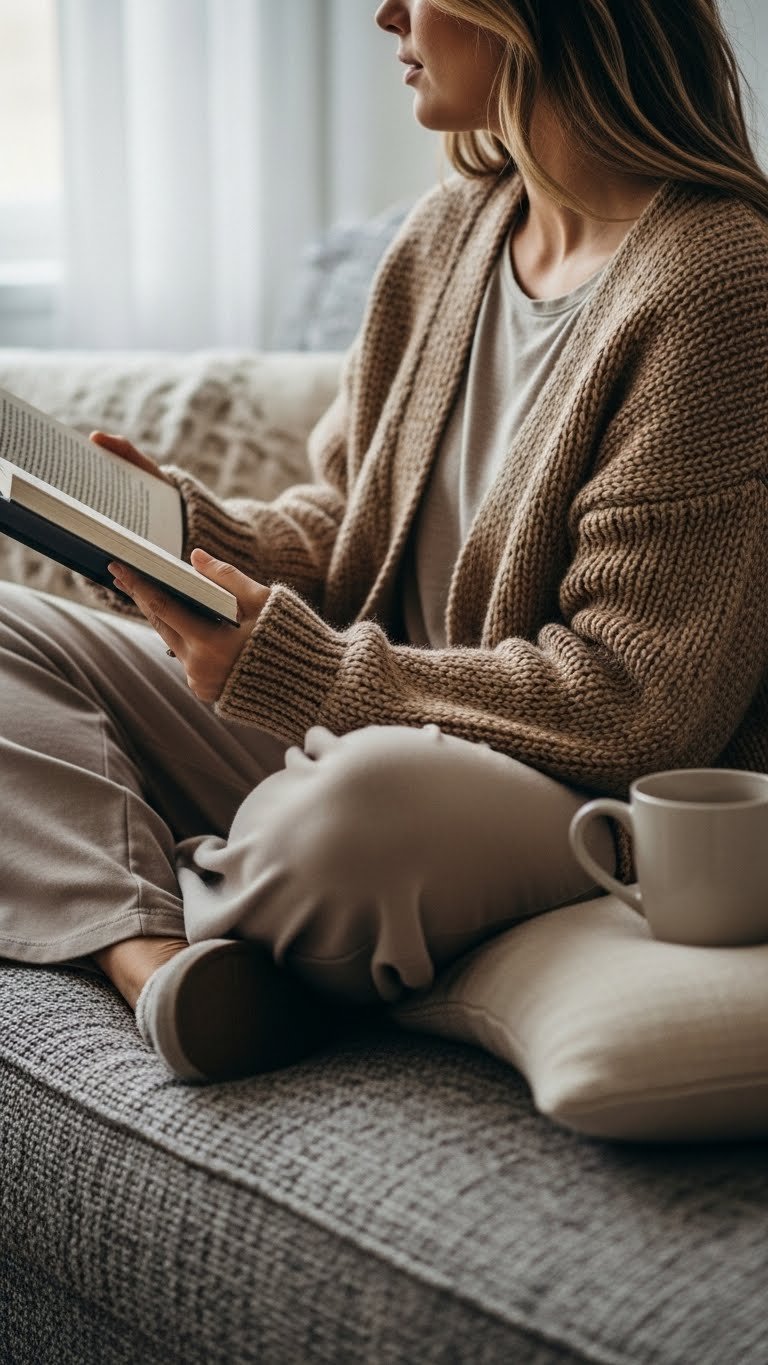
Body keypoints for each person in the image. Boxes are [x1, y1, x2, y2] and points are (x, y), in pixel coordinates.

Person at [1, 0, 767, 1081]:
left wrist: (301, 674)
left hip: (551, 785)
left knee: (356, 811)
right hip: (349, 716)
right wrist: (181, 530)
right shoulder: (451, 228)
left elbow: (639, 704)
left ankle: (140, 867)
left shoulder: (721, 287)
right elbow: (348, 525)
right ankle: (156, 954)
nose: (386, 14)